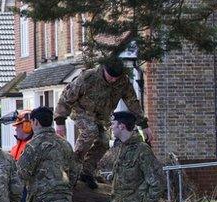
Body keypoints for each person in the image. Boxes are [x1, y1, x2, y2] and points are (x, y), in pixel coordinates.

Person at [54, 57, 151, 189]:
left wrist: (144, 125)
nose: (113, 80)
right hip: (81, 111)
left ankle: (86, 171)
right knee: (90, 132)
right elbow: (66, 97)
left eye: (116, 78)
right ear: (104, 70)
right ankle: (73, 168)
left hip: (101, 117)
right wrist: (60, 121)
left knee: (104, 142)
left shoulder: (123, 81)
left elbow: (132, 102)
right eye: (110, 77)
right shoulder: (89, 77)